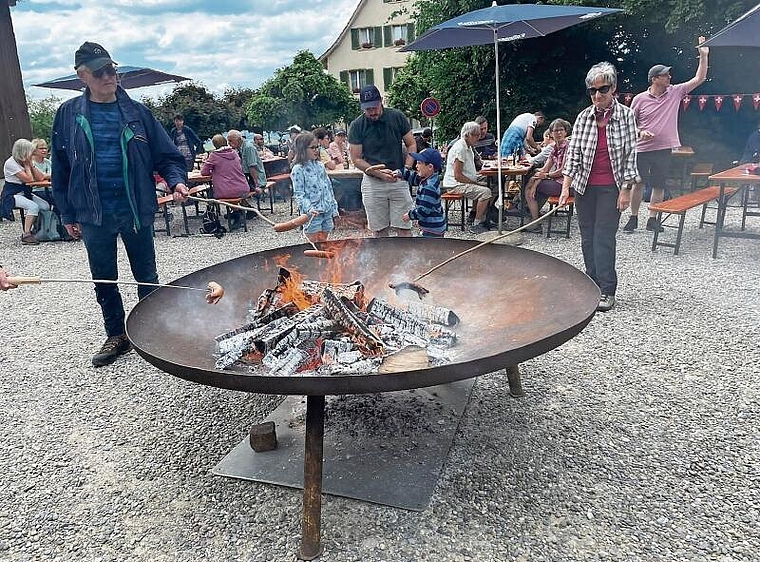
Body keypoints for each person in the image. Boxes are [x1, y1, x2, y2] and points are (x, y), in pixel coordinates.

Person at [51, 41, 189, 367]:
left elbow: (167, 156)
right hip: (93, 212)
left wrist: (176, 180)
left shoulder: (137, 113)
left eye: (111, 69)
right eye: (99, 72)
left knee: (146, 273)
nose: (108, 76)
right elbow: (61, 169)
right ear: (82, 76)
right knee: (104, 277)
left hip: (135, 208)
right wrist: (67, 213)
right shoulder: (68, 115)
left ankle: (153, 328)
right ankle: (117, 333)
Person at [560, 62, 637, 313]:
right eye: (592, 91)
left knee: (603, 236)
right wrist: (565, 187)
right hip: (584, 186)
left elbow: (630, 154)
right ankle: (591, 281)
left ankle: (607, 288)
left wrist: (626, 189)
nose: (597, 95)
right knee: (586, 236)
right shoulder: (584, 117)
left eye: (603, 89)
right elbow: (573, 155)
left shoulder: (626, 115)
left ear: (613, 88)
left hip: (610, 186)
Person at [624, 37, 709, 233]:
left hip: (664, 148)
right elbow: (628, 123)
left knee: (659, 184)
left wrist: (703, 56)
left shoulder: (675, 92)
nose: (669, 77)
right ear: (654, 79)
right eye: (665, 75)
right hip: (642, 148)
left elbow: (699, 79)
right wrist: (639, 132)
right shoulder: (639, 99)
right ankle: (634, 217)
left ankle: (653, 218)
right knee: (638, 183)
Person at [348, 84, 416, 237]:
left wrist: (406, 168)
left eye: (374, 107)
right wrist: (378, 173)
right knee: (379, 231)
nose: (371, 112)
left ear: (381, 101)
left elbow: (411, 144)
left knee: (404, 227)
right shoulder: (357, 125)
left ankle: (407, 260)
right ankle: (383, 261)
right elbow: (356, 158)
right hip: (373, 183)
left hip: (398, 180)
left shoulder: (397, 116)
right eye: (367, 109)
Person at [442, 122, 493, 235]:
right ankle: (476, 223)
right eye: (476, 135)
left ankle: (485, 214)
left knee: (492, 182)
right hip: (454, 184)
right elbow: (458, 175)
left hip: (462, 180)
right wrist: (473, 181)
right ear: (467, 135)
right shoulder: (460, 148)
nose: (478, 138)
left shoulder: (468, 146)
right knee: (486, 192)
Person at [524, 119, 572, 232]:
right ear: (551, 133)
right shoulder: (554, 148)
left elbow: (561, 171)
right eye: (556, 131)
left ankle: (535, 222)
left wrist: (540, 178)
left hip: (566, 185)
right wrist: (537, 178)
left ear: (566, 132)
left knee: (529, 188)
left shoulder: (568, 147)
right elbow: (546, 168)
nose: (559, 133)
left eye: (561, 130)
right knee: (531, 182)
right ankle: (534, 219)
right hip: (557, 181)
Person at [290, 132, 339, 243]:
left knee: (324, 242)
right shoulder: (298, 169)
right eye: (313, 148)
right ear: (302, 149)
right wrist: (309, 208)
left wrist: (334, 208)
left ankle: (323, 260)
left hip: (326, 210)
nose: (316, 150)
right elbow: (299, 194)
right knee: (313, 243)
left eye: (318, 147)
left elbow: (328, 188)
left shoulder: (320, 166)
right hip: (312, 214)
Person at [1, 138, 50, 245]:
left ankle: (38, 228)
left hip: (25, 192)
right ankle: (26, 234)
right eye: (30, 152)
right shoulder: (11, 163)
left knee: (45, 206)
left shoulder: (26, 161)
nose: (32, 154)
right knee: (33, 206)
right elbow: (29, 179)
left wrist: (31, 165)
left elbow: (40, 177)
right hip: (12, 194)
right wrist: (28, 165)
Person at [395, 148, 446, 237]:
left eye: (419, 163)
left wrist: (410, 215)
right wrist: (401, 173)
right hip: (433, 226)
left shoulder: (429, 187)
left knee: (427, 248)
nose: (416, 166)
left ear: (430, 167)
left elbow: (423, 210)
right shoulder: (430, 177)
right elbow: (415, 178)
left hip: (432, 228)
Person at [201, 135, 251, 200]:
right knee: (238, 196)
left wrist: (213, 172)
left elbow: (204, 172)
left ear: (214, 145)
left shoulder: (214, 155)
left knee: (210, 193)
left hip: (226, 191)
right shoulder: (234, 153)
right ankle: (243, 207)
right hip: (243, 188)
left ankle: (213, 208)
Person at [227, 129, 266, 198]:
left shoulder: (248, 147)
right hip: (248, 178)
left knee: (232, 191)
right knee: (229, 188)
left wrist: (257, 185)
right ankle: (246, 207)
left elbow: (252, 167)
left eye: (231, 141)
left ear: (239, 139)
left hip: (256, 180)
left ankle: (243, 207)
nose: (229, 143)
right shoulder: (240, 148)